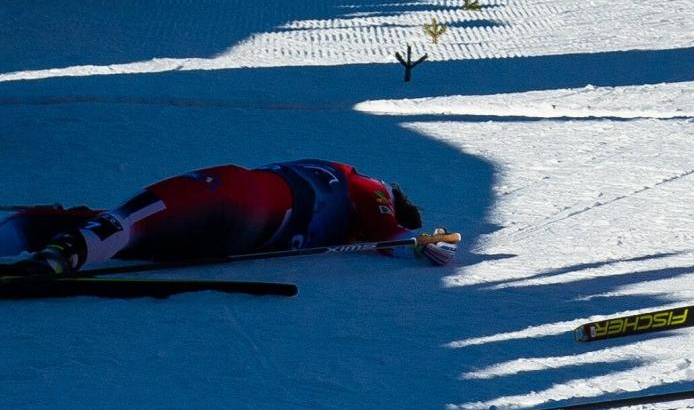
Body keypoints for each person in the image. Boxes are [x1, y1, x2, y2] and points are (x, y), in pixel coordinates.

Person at [0, 160, 448, 275]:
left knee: (133, 219)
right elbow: (395, 238)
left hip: (241, 194)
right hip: (242, 235)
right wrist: (427, 245)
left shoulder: (365, 183)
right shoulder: (347, 221)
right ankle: (53, 241)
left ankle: (57, 251)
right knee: (135, 231)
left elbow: (394, 232)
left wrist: (426, 241)